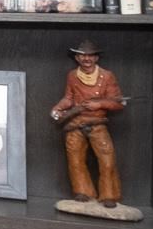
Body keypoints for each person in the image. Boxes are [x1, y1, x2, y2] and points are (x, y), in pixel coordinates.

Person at [50, 41, 126, 207]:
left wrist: (99, 104)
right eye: (83, 55)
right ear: (77, 58)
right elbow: (68, 98)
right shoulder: (72, 76)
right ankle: (83, 192)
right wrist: (58, 108)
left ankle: (109, 195)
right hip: (76, 123)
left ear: (96, 57)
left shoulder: (107, 76)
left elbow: (118, 103)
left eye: (90, 55)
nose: (86, 58)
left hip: (97, 124)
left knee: (107, 160)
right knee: (75, 159)